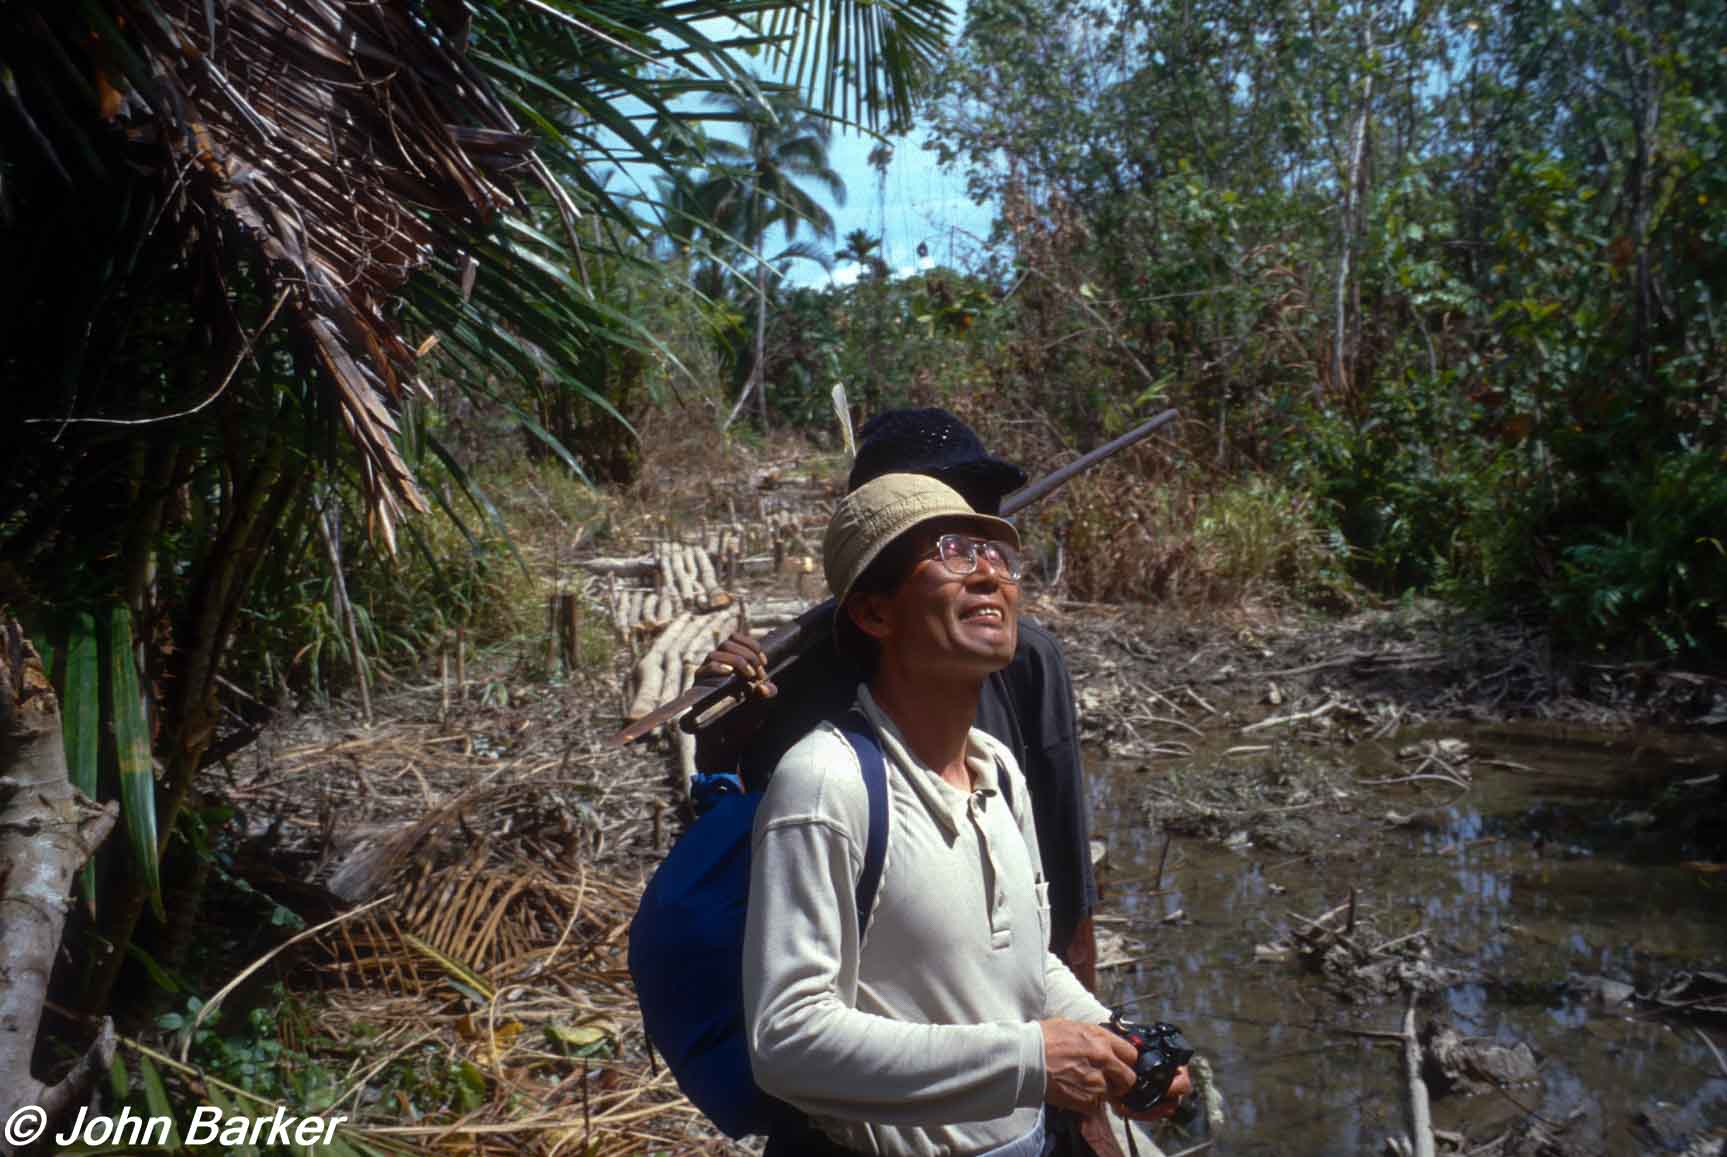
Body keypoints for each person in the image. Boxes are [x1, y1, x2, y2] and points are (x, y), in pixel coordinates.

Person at [742, 473, 1189, 1156]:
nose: (988, 575)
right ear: (874, 613)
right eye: (951, 553)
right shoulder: (826, 784)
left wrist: (1115, 1045)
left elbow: (1024, 969)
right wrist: (1029, 1061)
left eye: (997, 557)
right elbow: (786, 1042)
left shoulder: (997, 769)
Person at [698, 408, 1100, 990]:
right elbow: (769, 876)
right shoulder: (808, 720)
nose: (979, 560)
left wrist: (1091, 1016)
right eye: (945, 535)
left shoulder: (1018, 686)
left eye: (981, 522)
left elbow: (1060, 864)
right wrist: (722, 745)